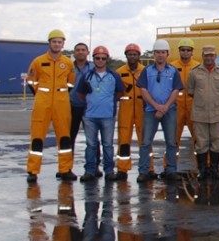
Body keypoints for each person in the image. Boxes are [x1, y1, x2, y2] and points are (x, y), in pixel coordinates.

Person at [25, 29, 76, 183]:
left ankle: (65, 169)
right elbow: (31, 81)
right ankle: (33, 171)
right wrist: (42, 94)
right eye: (54, 41)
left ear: (63, 44)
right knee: (37, 137)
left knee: (65, 137)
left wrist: (60, 94)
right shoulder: (38, 61)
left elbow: (71, 82)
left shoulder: (68, 63)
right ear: (49, 43)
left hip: (62, 103)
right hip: (43, 102)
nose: (56, 44)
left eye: (59, 42)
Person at [137, 39, 183, 183]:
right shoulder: (147, 71)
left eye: (163, 52)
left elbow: (176, 90)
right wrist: (157, 106)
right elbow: (143, 90)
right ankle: (144, 171)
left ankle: (171, 170)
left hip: (169, 111)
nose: (160, 55)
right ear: (154, 54)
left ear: (167, 54)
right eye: (157, 52)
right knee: (146, 142)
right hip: (151, 111)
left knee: (171, 142)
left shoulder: (173, 71)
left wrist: (165, 107)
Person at [78, 46, 125, 182]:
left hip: (108, 116)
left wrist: (108, 102)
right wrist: (91, 103)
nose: (100, 60)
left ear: (107, 59)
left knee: (108, 145)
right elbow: (80, 94)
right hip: (89, 116)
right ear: (93, 59)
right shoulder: (87, 76)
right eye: (97, 58)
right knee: (91, 145)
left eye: (103, 58)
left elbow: (120, 92)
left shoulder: (114, 76)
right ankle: (89, 171)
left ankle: (109, 171)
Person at [187, 45, 219, 180]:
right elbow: (191, 91)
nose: (209, 58)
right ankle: (202, 169)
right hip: (200, 114)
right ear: (202, 56)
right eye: (206, 55)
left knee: (217, 142)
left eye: (211, 55)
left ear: (215, 56)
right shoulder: (194, 72)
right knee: (201, 143)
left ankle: (214, 168)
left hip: (218, 113)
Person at [116, 43, 146, 181]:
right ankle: (122, 169)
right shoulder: (119, 72)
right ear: (126, 55)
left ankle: (148, 168)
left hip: (141, 108)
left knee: (144, 140)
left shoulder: (145, 71)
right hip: (125, 108)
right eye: (130, 54)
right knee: (124, 139)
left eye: (135, 54)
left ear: (139, 56)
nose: (132, 56)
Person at [170, 38, 198, 159]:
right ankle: (170, 165)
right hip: (176, 107)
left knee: (198, 138)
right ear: (179, 51)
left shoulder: (197, 66)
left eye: (188, 50)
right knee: (173, 138)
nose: (185, 52)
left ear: (192, 52)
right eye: (183, 50)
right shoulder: (172, 67)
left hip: (194, 106)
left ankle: (202, 165)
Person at [68, 42, 93, 170]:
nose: (80, 52)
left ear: (88, 52)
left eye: (83, 50)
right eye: (78, 50)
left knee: (91, 138)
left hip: (89, 107)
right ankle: (66, 167)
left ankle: (93, 167)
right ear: (74, 53)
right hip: (72, 106)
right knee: (69, 137)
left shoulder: (94, 67)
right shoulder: (68, 66)